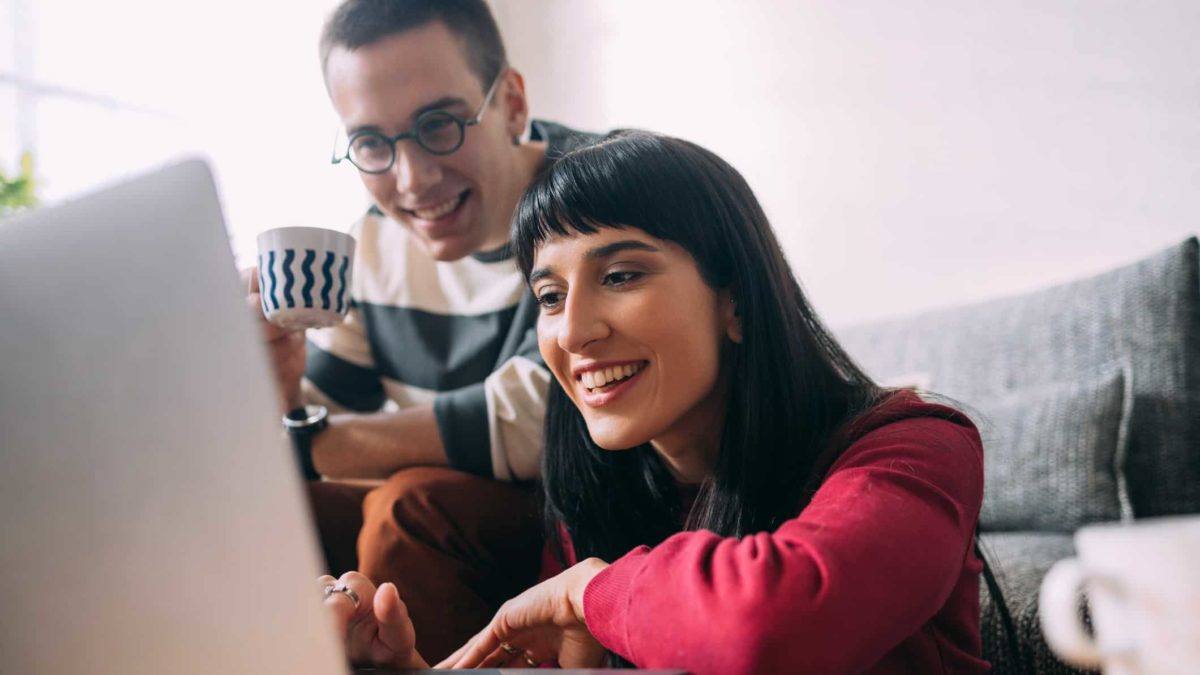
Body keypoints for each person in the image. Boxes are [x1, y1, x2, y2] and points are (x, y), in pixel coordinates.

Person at [317, 130, 991, 674]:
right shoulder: (601, 487)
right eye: (550, 297)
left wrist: (591, 589)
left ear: (736, 300)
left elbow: (766, 630)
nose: (574, 330)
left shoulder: (917, 446)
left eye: (620, 275)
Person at [242, 0, 599, 661]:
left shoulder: (592, 192)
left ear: (512, 105)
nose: (412, 180)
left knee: (409, 509)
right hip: (460, 525)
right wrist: (283, 389)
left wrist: (306, 443)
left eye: (438, 124)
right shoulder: (371, 246)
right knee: (281, 515)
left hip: (581, 513)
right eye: (372, 143)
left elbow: (530, 426)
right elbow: (323, 421)